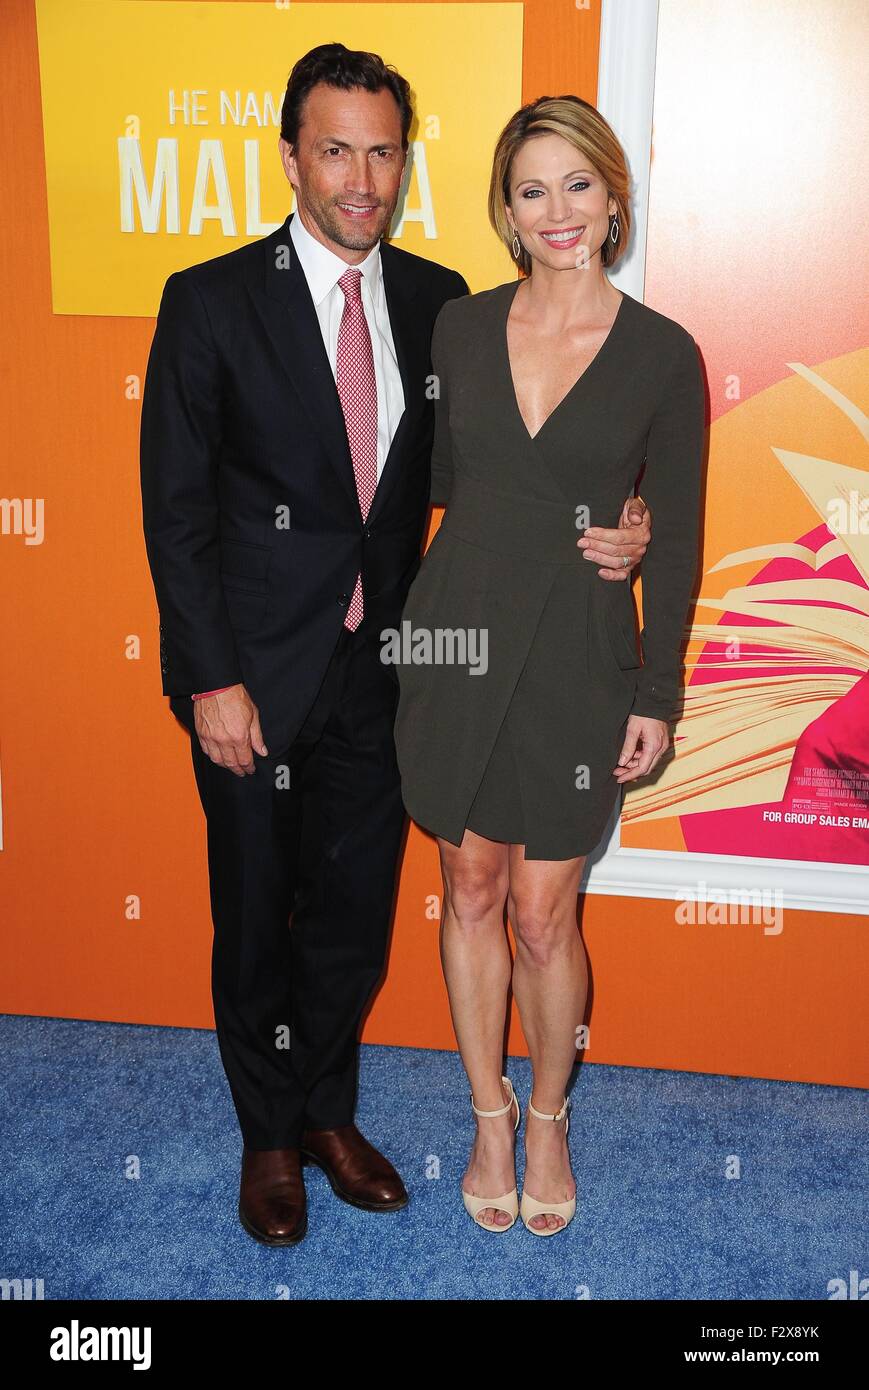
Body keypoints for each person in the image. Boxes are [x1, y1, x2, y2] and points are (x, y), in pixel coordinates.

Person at [140, 46, 652, 1247]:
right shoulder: (210, 299)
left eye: (382, 150)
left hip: (399, 672)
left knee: (354, 916)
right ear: (290, 159)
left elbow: (514, 471)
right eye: (336, 149)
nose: (362, 177)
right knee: (258, 908)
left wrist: (626, 526)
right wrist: (210, 672)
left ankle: (327, 1112)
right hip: (251, 679)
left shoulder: (440, 305)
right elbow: (175, 511)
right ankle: (268, 1135)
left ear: (404, 163)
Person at [393, 96, 705, 1236]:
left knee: (539, 913)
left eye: (577, 184)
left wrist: (655, 691)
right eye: (532, 189)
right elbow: (427, 487)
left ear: (612, 196)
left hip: (577, 653)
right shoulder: (458, 330)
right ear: (506, 208)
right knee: (465, 888)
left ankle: (549, 1116)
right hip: (457, 635)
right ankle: (485, 1112)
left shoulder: (663, 353)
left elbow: (672, 538)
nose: (557, 210)